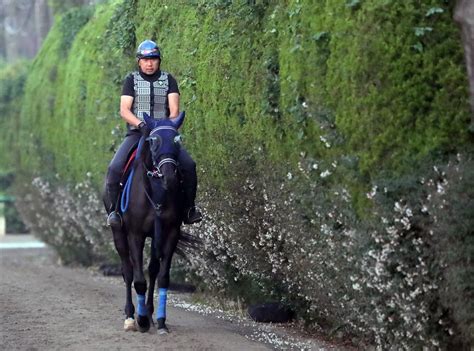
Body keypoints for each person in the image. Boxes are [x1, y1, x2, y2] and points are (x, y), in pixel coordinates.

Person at [105, 39, 202, 227]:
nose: (149, 64)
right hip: (137, 133)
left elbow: (174, 110)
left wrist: (164, 126)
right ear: (139, 61)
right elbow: (124, 110)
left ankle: (189, 209)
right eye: (145, 59)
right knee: (115, 168)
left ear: (159, 61)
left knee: (189, 165)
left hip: (163, 135)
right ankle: (114, 212)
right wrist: (140, 124)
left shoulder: (169, 80)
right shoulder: (131, 80)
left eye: (153, 59)